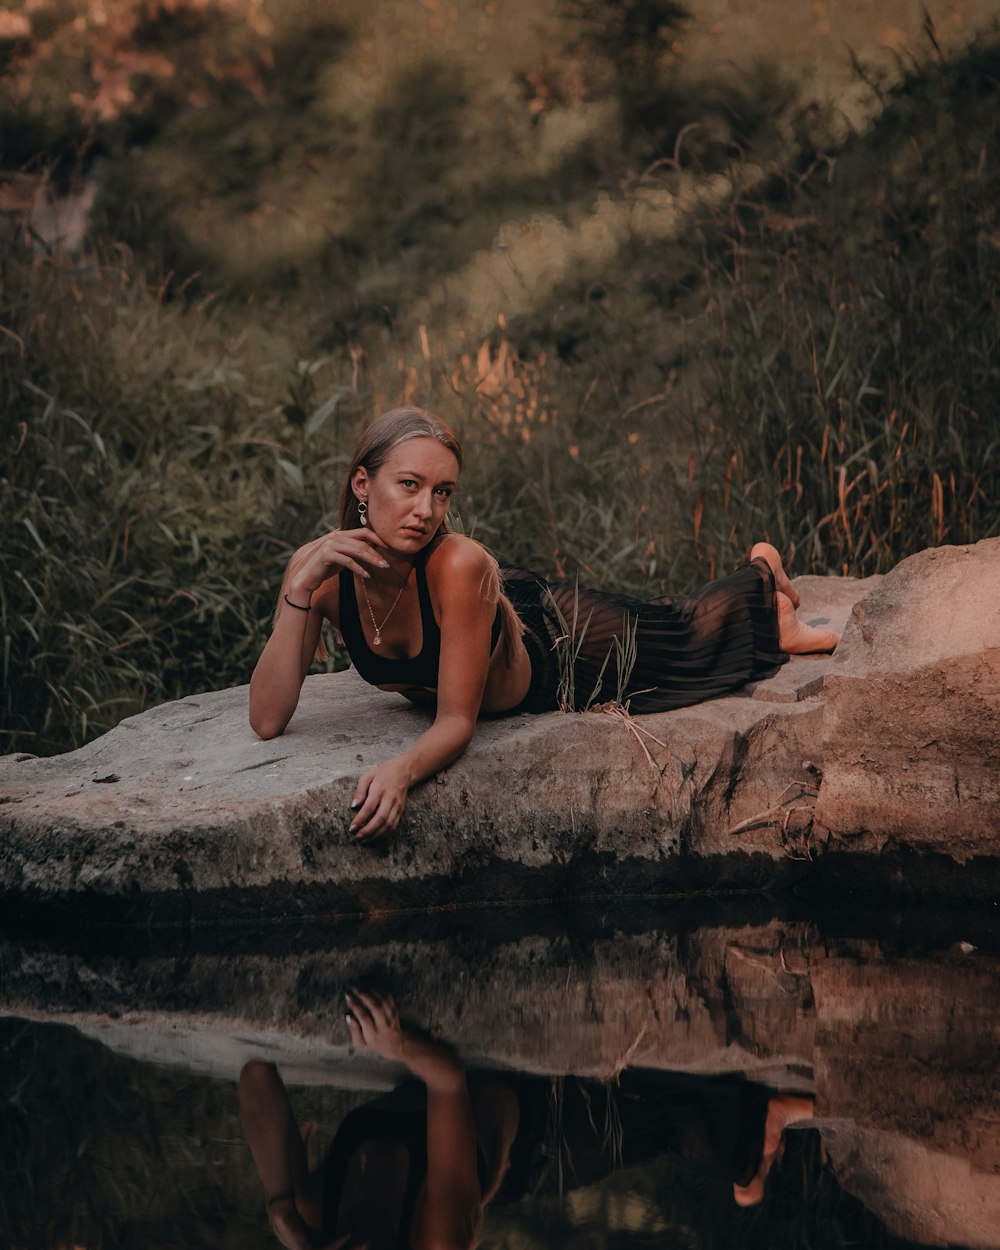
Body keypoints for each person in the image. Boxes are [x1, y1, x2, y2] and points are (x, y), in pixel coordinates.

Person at [249, 407, 838, 839]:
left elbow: (458, 721)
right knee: (674, 618)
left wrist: (401, 771)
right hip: (505, 619)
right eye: (409, 485)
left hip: (560, 647)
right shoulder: (320, 573)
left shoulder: (457, 562)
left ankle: (763, 575)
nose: (426, 510)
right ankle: (762, 587)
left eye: (443, 492)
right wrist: (299, 589)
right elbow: (268, 718)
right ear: (362, 483)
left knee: (680, 627)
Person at [239, 989, 816, 1250]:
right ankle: (755, 1151)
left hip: (495, 1115)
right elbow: (447, 1079)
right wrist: (396, 1044)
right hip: (541, 1143)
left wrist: (279, 1205)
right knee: (658, 1117)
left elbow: (255, 1074)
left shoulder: (317, 1212)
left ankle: (750, 1167)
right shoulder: (435, 1237)